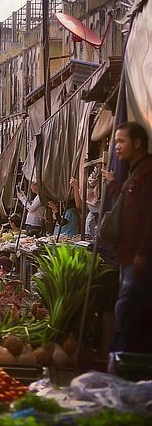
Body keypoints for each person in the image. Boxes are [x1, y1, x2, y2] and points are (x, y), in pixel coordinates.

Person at [103, 122, 152, 353]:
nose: (117, 148)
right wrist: (113, 183)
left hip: (137, 258)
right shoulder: (135, 172)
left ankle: (123, 360)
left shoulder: (148, 173)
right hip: (127, 256)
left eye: (121, 142)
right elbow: (126, 206)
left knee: (127, 309)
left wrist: (143, 253)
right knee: (125, 308)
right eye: (116, 143)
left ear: (138, 143)